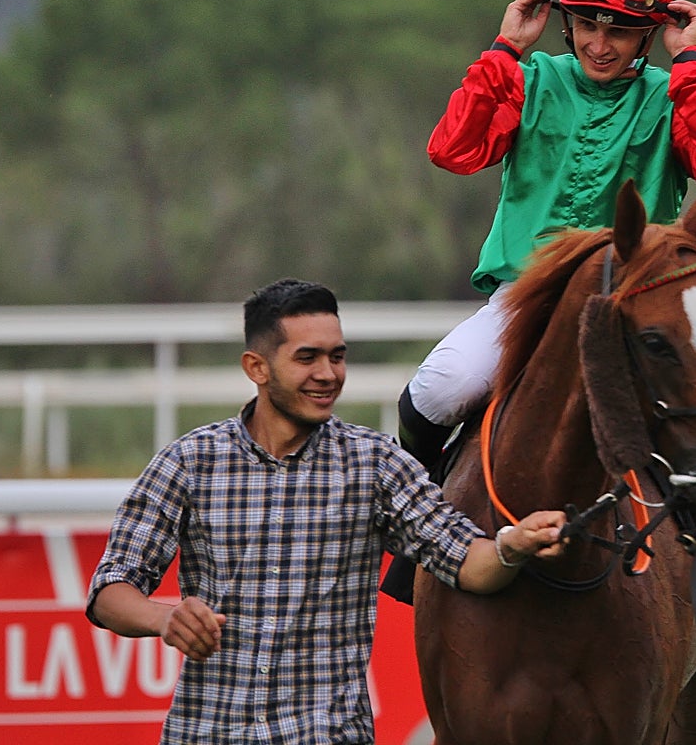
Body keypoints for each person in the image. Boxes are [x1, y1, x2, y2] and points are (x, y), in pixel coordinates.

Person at [85, 278, 567, 745]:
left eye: (337, 356)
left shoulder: (377, 464)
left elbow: (470, 564)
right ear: (257, 367)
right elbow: (110, 592)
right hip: (205, 731)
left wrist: (513, 546)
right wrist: (163, 618)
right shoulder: (188, 461)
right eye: (307, 358)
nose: (328, 373)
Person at [397, 0, 696, 494]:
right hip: (525, 300)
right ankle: (421, 530)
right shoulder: (528, 79)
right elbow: (452, 151)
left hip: (636, 308)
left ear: (649, 34)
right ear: (566, 22)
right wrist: (504, 49)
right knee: (437, 392)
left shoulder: (672, 93)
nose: (599, 44)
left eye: (620, 31)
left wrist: (689, 63)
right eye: (588, 25)